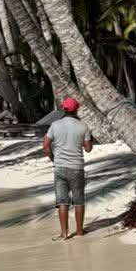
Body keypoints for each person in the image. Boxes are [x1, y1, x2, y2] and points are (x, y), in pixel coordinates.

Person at [42, 95, 93, 239]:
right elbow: (88, 149)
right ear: (76, 110)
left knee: (62, 202)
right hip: (76, 167)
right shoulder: (83, 126)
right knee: (79, 201)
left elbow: (45, 146)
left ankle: (64, 233)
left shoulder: (55, 125)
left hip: (60, 167)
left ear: (64, 109)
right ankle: (80, 231)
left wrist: (54, 159)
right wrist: (87, 141)